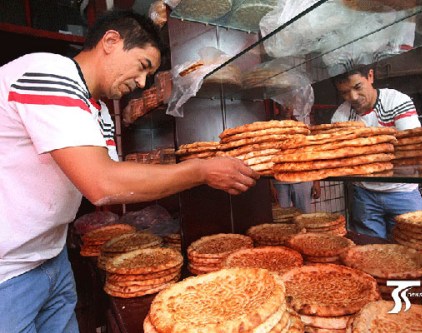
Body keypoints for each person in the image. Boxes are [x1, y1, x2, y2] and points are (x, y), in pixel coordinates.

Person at [0, 9, 258, 333]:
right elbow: (103, 183)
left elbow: (117, 173)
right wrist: (200, 171)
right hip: (8, 274)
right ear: (111, 41)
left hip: (52, 256)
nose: (141, 83)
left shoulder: (100, 111)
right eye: (142, 66)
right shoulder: (49, 73)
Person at [331, 64, 422, 239]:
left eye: (357, 87)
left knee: (416, 246)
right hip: (364, 194)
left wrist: (360, 157)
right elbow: (342, 158)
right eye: (344, 92)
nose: (353, 97)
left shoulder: (397, 102)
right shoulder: (341, 116)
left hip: (402, 192)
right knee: (369, 252)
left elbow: (410, 150)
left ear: (370, 76)